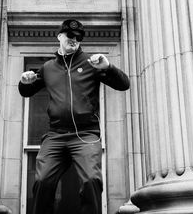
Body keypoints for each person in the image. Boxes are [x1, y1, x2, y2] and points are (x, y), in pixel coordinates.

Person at [18, 19, 130, 214]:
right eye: (70, 35)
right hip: (56, 135)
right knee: (42, 181)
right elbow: (26, 92)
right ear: (59, 36)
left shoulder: (91, 64)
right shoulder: (48, 68)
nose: (74, 40)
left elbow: (124, 84)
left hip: (86, 135)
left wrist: (108, 67)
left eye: (78, 37)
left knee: (91, 180)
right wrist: (24, 82)